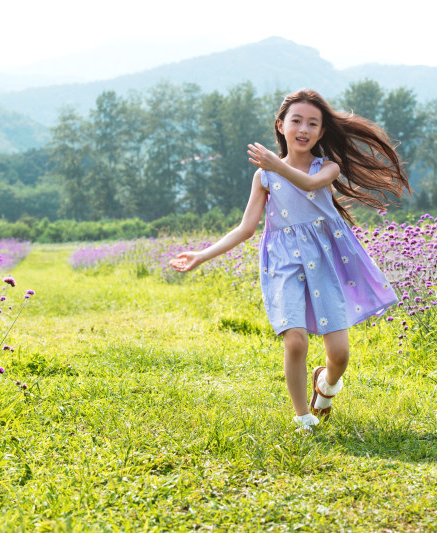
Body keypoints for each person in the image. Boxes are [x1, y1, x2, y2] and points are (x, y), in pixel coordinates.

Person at [170, 89, 409, 433]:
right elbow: (245, 228)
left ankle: (325, 384)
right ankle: (302, 418)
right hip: (283, 261)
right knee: (294, 338)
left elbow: (310, 185)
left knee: (339, 354)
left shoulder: (326, 167)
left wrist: (276, 164)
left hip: (324, 261)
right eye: (296, 120)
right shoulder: (264, 176)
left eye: (313, 123)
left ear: (322, 132)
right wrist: (202, 255)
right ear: (281, 126)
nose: (304, 128)